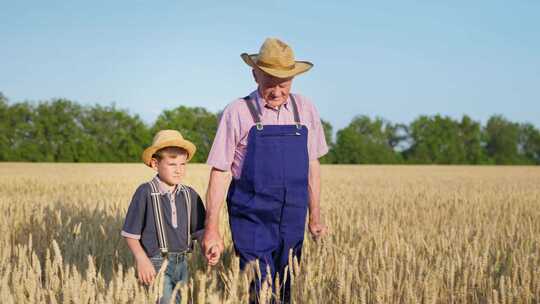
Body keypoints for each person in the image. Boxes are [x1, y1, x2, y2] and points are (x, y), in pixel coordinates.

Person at [202, 37, 329, 302]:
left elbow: (312, 166)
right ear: (254, 73)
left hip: (292, 216)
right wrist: (211, 228)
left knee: (285, 286)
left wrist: (314, 216)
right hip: (252, 216)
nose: (277, 89)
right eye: (269, 80)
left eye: (284, 82)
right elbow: (221, 171)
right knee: (260, 288)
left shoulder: (305, 108)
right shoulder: (237, 112)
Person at [121, 129, 206, 304]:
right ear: (155, 164)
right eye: (172, 164)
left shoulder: (190, 195)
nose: (179, 170)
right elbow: (130, 234)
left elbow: (199, 231)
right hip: (156, 263)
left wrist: (209, 245)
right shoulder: (145, 192)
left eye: (183, 164)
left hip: (182, 263)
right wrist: (142, 260)